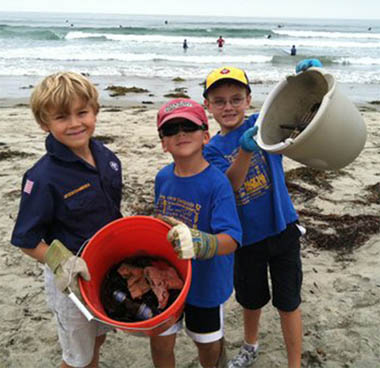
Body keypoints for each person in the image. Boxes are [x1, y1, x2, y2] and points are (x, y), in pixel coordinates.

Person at [10, 71, 123, 368]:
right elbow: (26, 240)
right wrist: (62, 260)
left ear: (95, 112)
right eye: (61, 117)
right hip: (70, 281)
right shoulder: (42, 177)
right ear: (44, 123)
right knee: (77, 356)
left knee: (98, 337)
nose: (74, 124)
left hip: (103, 270)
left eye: (82, 112)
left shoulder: (109, 159)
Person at [202, 66, 310, 368]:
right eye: (219, 100)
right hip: (245, 239)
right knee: (251, 300)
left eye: (236, 98)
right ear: (207, 105)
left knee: (289, 302)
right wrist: (245, 151)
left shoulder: (264, 125)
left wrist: (307, 82)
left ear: (249, 99)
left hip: (283, 229)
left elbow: (303, 116)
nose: (228, 107)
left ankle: (295, 363)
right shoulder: (210, 151)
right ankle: (250, 346)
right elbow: (229, 186)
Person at [150, 98, 242, 368]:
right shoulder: (162, 178)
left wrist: (200, 242)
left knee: (208, 344)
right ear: (163, 142)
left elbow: (232, 239)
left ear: (205, 136)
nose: (180, 133)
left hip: (206, 283)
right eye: (171, 129)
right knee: (161, 342)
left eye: (188, 126)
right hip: (168, 278)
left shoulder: (218, 183)